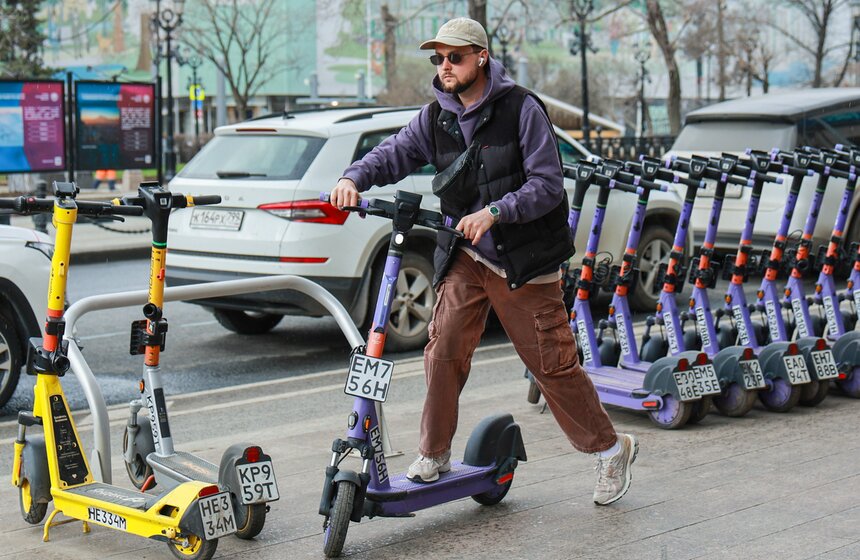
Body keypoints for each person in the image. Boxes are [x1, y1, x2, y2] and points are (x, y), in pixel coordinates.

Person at [330, 17, 637, 506]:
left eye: (454, 56)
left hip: (523, 260)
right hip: (467, 255)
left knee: (551, 366)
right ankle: (434, 452)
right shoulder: (437, 116)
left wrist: (495, 211)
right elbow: (393, 153)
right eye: (438, 58)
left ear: (481, 57)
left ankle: (609, 449)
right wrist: (354, 177)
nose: (445, 66)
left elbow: (547, 184)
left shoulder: (521, 109)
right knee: (444, 346)